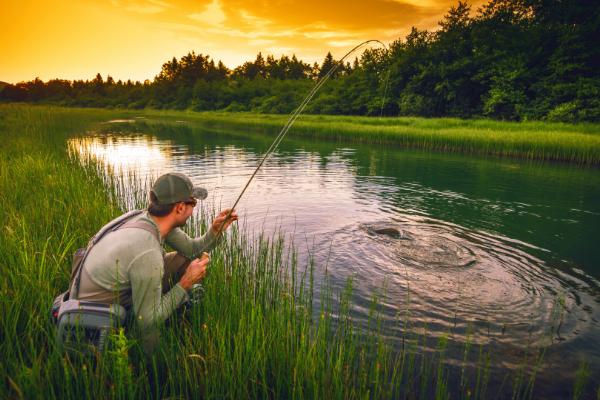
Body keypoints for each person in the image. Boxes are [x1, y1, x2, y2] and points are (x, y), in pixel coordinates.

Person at [70, 172, 237, 351]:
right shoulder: (147, 251)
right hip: (97, 316)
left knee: (184, 260)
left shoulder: (147, 219)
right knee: (150, 325)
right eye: (193, 203)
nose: (193, 210)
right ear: (180, 208)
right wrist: (186, 283)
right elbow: (147, 320)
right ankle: (152, 367)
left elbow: (191, 250)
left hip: (102, 291)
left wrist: (215, 231)